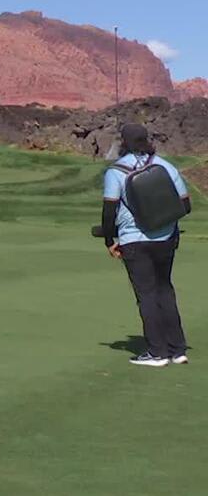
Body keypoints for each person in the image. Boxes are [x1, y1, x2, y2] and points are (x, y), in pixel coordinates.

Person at [102, 123, 191, 366]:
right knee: (165, 290)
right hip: (166, 238)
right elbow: (185, 205)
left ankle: (157, 353)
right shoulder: (165, 166)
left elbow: (109, 211)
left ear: (123, 142)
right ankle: (177, 350)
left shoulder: (116, 171)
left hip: (133, 241)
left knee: (147, 295)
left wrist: (110, 240)